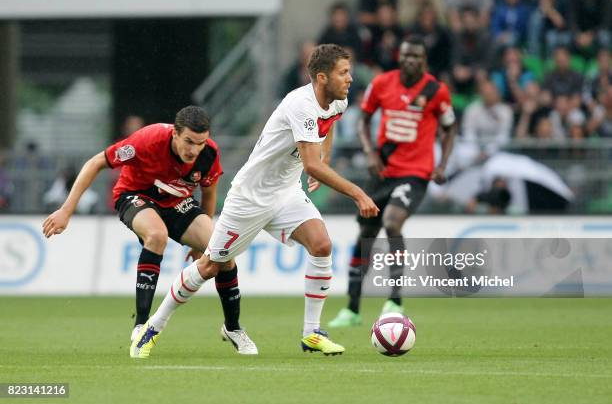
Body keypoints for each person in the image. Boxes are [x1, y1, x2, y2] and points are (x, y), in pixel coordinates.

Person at [130, 44, 379, 358]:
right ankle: (154, 325)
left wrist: (324, 155)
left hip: (286, 192)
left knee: (321, 245)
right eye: (343, 73)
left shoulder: (337, 101)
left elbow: (328, 128)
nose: (350, 78)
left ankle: (311, 333)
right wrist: (356, 192)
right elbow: (312, 164)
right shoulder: (299, 105)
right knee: (208, 266)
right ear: (321, 77)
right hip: (250, 197)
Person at [42, 106, 257, 354]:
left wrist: (203, 245)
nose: (194, 150)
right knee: (157, 236)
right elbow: (96, 162)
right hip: (135, 195)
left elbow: (209, 193)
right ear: (174, 134)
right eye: (188, 141)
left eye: (200, 143)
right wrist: (66, 210)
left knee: (223, 252)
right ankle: (141, 325)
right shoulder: (147, 140)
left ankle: (233, 327)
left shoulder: (209, 153)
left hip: (177, 202)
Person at [328, 36, 457, 328]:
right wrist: (370, 152)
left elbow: (450, 127)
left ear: (424, 61)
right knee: (366, 235)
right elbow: (363, 119)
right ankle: (352, 308)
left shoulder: (436, 91)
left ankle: (394, 299)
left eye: (417, 57)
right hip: (383, 172)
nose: (411, 61)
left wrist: (442, 164)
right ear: (399, 57)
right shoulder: (382, 83)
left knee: (393, 221)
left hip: (416, 173)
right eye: (407, 55)